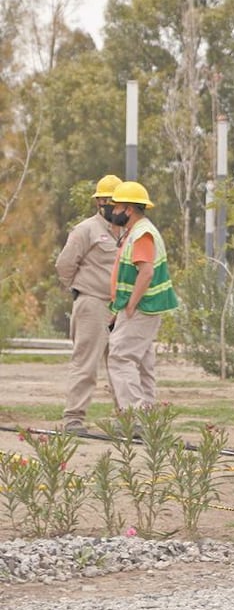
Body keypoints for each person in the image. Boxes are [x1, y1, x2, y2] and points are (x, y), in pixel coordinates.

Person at [55, 174, 123, 434]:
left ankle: (126, 419)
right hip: (92, 304)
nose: (113, 207)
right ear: (99, 202)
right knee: (86, 363)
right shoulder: (86, 230)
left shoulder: (127, 232)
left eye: (118, 202)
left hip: (120, 307)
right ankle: (74, 418)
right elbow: (64, 265)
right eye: (109, 201)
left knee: (121, 363)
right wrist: (80, 289)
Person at [107, 181, 179, 411]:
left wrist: (130, 306)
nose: (113, 211)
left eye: (117, 206)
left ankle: (134, 415)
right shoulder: (136, 232)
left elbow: (146, 272)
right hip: (142, 307)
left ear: (129, 209)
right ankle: (146, 414)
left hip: (141, 308)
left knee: (121, 357)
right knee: (143, 363)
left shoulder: (142, 234)